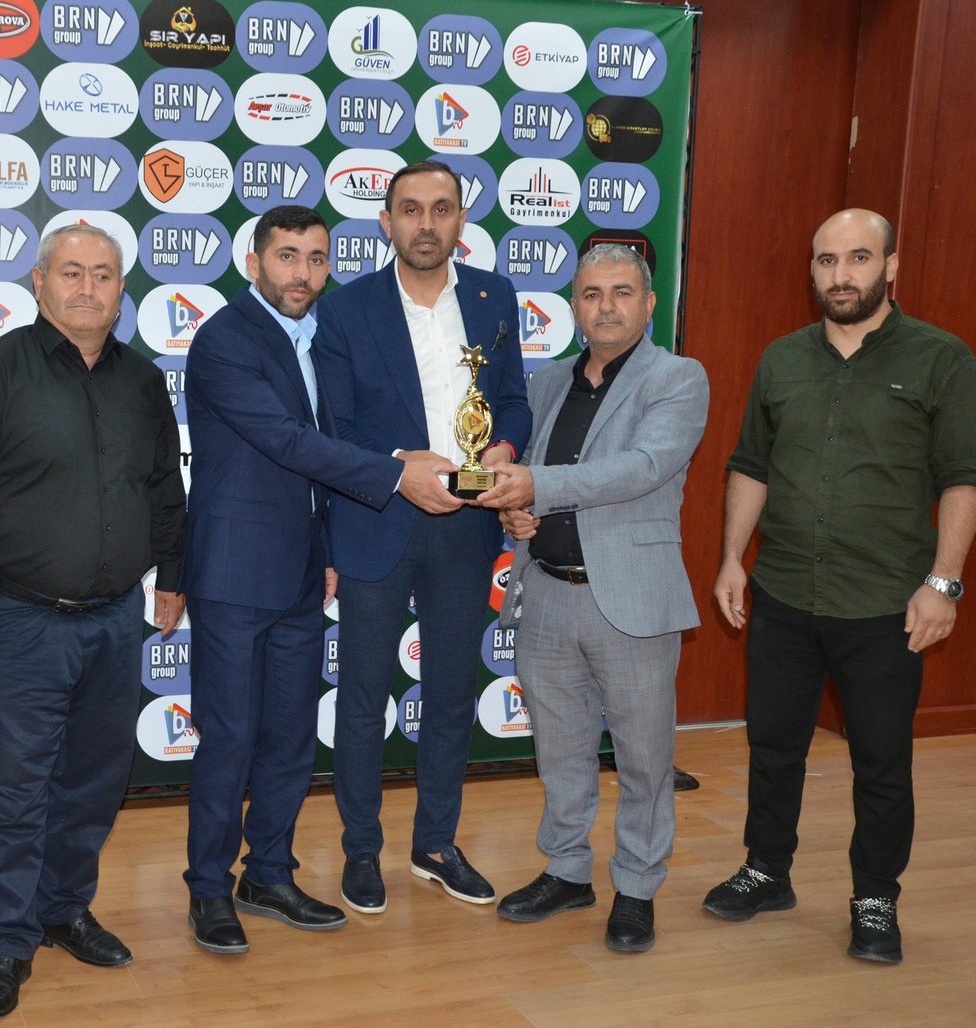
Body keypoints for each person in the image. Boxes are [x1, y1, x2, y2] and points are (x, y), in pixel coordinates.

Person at [181, 205, 459, 952]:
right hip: (234, 575)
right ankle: (208, 888)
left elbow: (327, 447)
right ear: (254, 263)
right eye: (287, 256)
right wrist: (396, 471)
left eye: (315, 258)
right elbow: (286, 441)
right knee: (230, 739)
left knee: (291, 737)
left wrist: (330, 546)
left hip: (303, 571)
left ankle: (269, 873)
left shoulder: (314, 337)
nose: (302, 273)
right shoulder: (225, 339)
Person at [0, 225, 186, 1017]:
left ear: (121, 289)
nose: (87, 287)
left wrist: (174, 573)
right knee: (12, 790)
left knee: (93, 781)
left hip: (114, 619)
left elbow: (162, 485)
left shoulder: (141, 380)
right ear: (38, 282)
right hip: (15, 621)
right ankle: (8, 941)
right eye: (71, 271)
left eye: (103, 274)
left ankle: (64, 908)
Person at [704, 209, 975, 964]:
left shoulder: (942, 359)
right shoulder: (782, 359)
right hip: (784, 592)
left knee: (881, 763)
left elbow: (963, 477)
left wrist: (944, 584)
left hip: (886, 604)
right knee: (774, 746)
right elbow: (751, 465)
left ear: (891, 266)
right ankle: (767, 870)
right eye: (827, 261)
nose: (841, 274)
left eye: (858, 258)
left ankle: (875, 898)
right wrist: (732, 559)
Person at [478, 244, 709, 952]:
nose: (606, 306)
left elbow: (642, 467)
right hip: (547, 591)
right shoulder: (548, 381)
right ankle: (568, 870)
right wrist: (517, 511)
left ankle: (636, 886)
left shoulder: (677, 378)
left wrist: (536, 487)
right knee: (561, 750)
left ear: (648, 303)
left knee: (643, 757)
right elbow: (528, 476)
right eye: (591, 294)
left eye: (621, 292)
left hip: (633, 602)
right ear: (575, 306)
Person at [315, 160, 531, 913]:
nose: (427, 223)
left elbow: (513, 400)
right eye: (411, 209)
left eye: (442, 208)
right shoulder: (346, 310)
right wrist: (398, 465)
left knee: (449, 695)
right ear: (387, 222)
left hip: (467, 529)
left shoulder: (494, 296)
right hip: (376, 523)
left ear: (461, 220)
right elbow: (333, 426)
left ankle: (435, 844)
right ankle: (360, 850)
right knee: (363, 698)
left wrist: (504, 447)